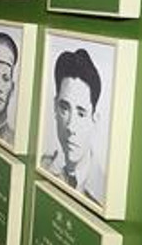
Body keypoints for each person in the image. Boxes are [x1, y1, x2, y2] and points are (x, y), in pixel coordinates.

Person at [40, 48, 105, 203]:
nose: (70, 126)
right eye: (64, 108)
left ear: (94, 120)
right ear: (55, 107)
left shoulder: (105, 191)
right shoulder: (44, 165)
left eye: (81, 114)